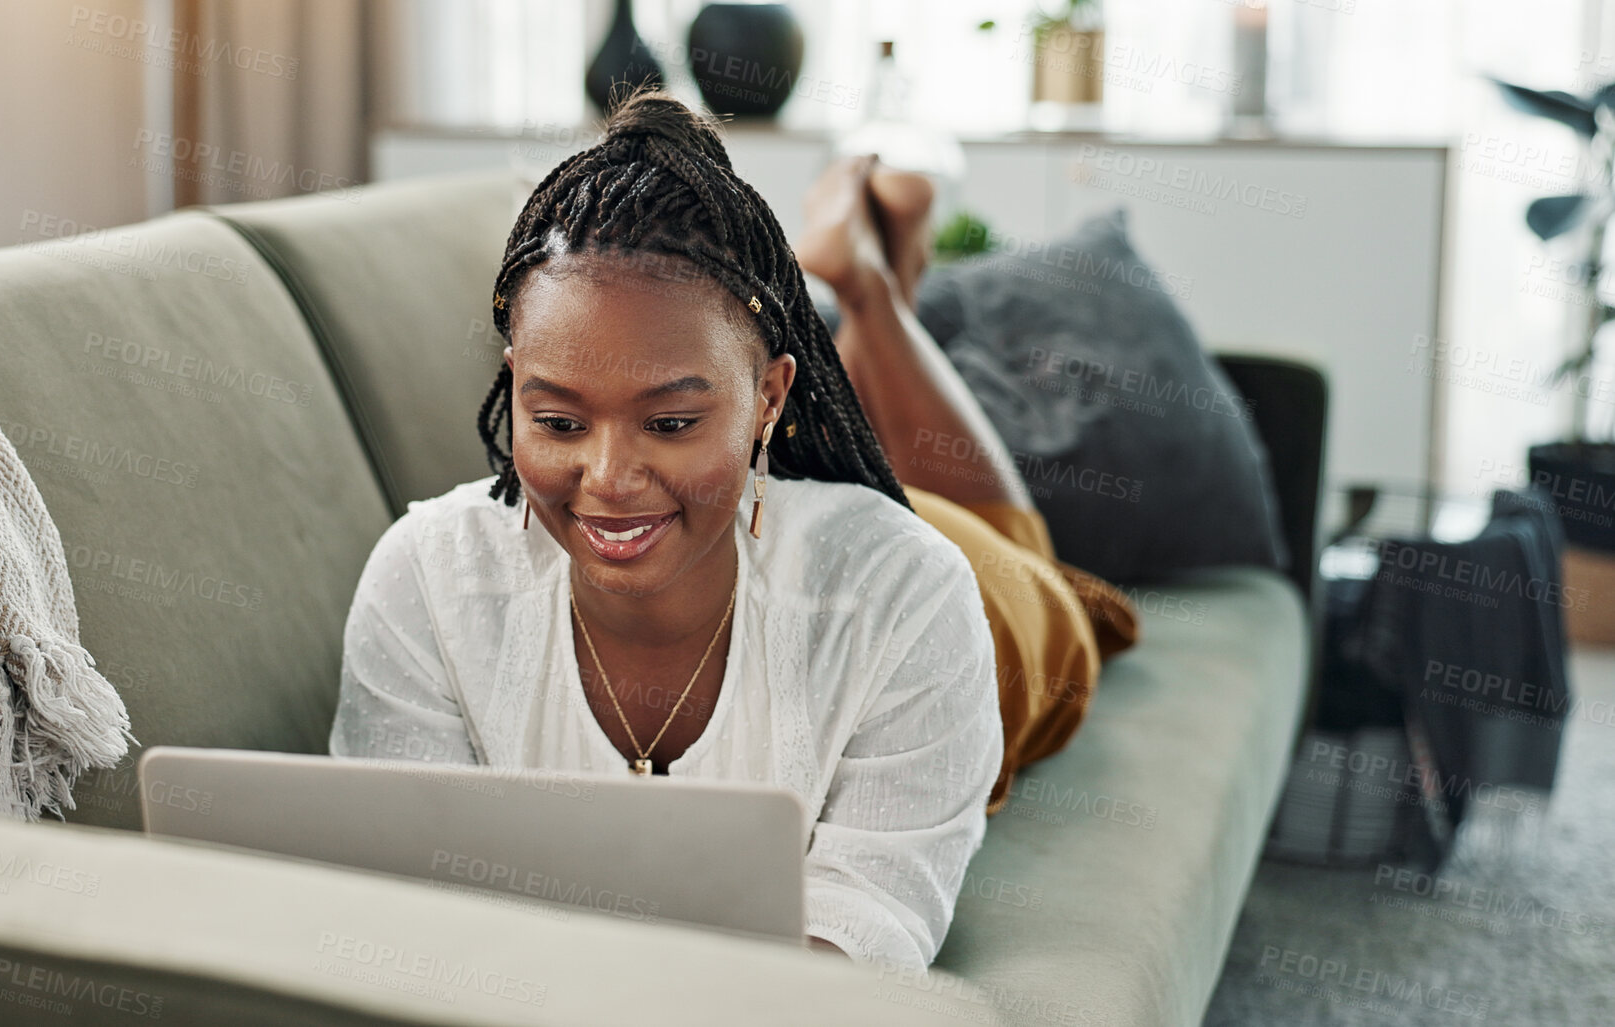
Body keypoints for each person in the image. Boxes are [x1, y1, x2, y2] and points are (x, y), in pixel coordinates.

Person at [331, 89, 1136, 970]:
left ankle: (870, 285)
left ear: (770, 398)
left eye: (669, 422)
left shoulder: (912, 595)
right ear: (513, 382)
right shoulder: (427, 573)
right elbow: (400, 909)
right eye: (558, 422)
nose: (607, 480)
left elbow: (861, 938)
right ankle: (876, 276)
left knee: (1017, 549)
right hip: (747, 506)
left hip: (986, 598)